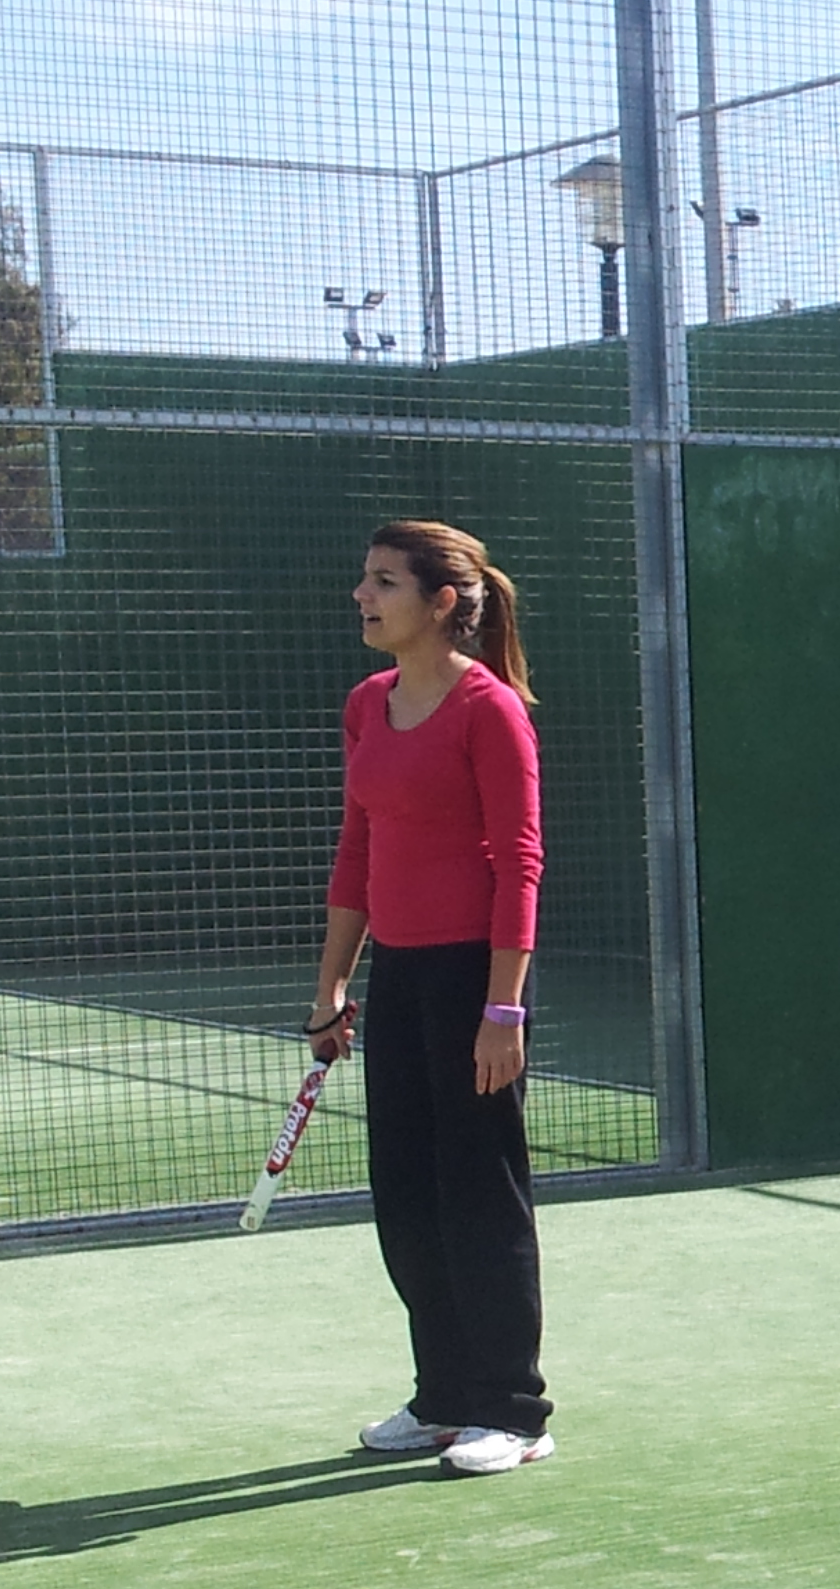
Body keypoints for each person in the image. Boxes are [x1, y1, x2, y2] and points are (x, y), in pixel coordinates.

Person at [304, 519, 554, 1476]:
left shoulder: (491, 710)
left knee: (479, 1194)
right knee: (406, 1194)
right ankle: (444, 1396)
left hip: (473, 979)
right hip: (400, 977)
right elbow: (357, 851)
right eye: (364, 579)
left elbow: (520, 864)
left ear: (441, 602)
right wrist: (332, 984)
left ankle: (514, 1410)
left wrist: (503, 1010)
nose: (363, 596)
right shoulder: (367, 705)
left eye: (384, 582)